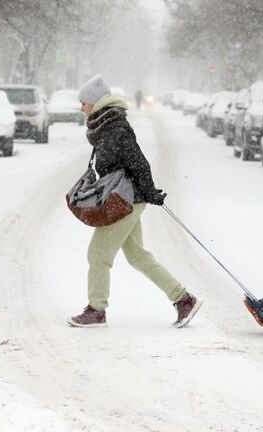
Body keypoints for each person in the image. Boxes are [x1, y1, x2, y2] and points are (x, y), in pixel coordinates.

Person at [67, 75, 202, 329]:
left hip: (125, 201)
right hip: (127, 199)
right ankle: (184, 299)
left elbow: (138, 162)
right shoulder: (105, 126)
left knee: (97, 255)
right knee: (137, 256)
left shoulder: (115, 128)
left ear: (95, 103)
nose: (81, 107)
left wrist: (149, 191)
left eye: (83, 102)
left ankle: (96, 310)